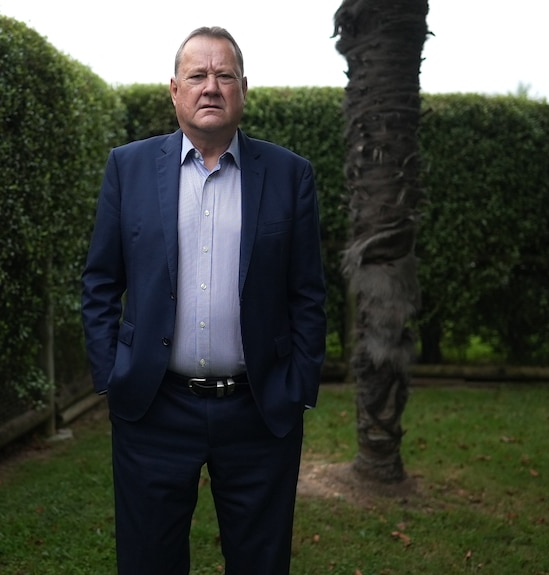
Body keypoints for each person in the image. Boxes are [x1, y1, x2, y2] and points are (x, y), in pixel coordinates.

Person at [81, 26, 327, 575]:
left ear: (244, 89)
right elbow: (100, 281)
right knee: (148, 561)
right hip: (153, 407)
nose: (210, 86)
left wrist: (299, 385)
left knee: (261, 562)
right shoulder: (129, 168)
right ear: (174, 90)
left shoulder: (290, 176)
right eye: (197, 75)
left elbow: (307, 292)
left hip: (259, 411)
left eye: (224, 75)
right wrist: (111, 374)